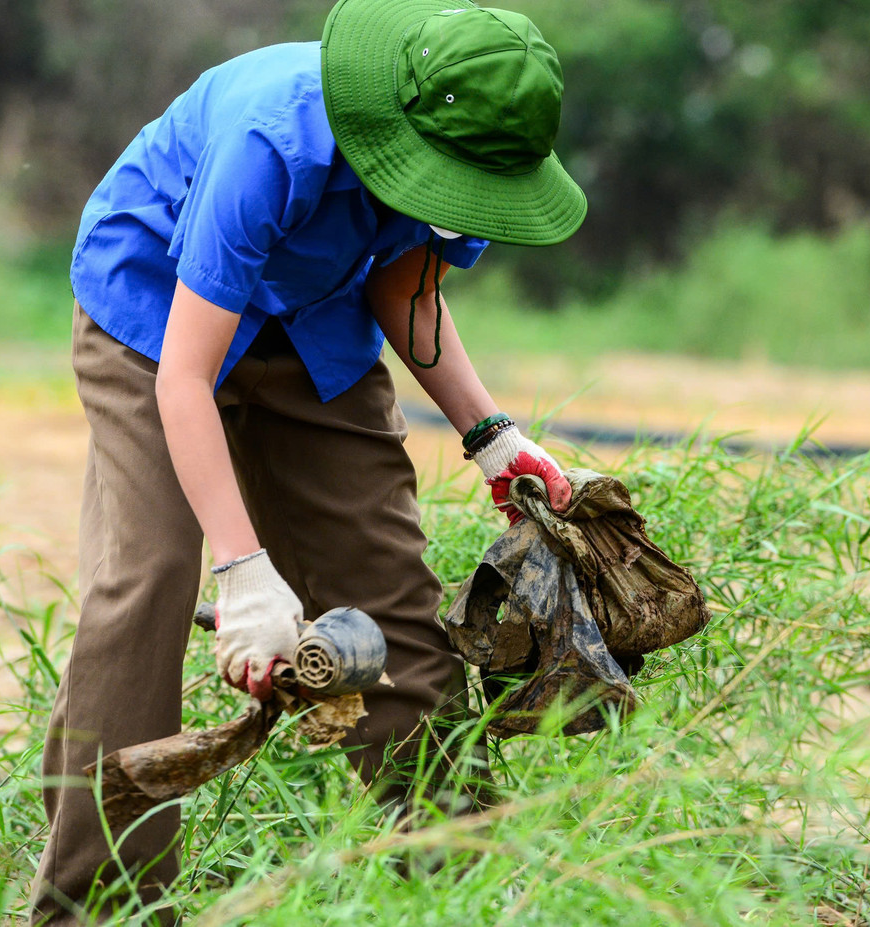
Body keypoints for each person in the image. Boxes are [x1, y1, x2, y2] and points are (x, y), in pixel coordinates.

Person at [31, 1, 584, 923]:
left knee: (390, 595)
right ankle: (100, 905)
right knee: (149, 578)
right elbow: (186, 378)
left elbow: (405, 285)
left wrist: (494, 436)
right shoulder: (272, 139)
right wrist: (245, 572)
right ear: (401, 134)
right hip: (158, 316)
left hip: (314, 328)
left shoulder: (476, 157)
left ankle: (457, 883)